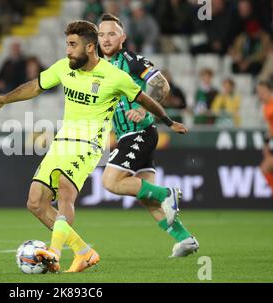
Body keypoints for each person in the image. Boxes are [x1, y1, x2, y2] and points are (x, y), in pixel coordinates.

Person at [0, 20, 188, 273]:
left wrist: (169, 122)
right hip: (62, 142)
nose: (68, 50)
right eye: (67, 44)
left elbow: (146, 99)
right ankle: (84, 252)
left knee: (64, 189)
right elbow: (35, 86)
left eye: (73, 45)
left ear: (90, 47)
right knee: (36, 203)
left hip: (89, 144)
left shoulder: (115, 76)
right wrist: (6, 99)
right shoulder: (64, 67)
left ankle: (54, 251)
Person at [98, 13, 199, 258]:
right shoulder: (98, 68)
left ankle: (168, 194)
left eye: (112, 33)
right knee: (147, 198)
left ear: (123, 37)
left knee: (110, 182)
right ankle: (185, 239)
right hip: (126, 134)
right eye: (101, 34)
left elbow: (162, 84)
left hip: (139, 131)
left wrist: (143, 108)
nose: (106, 39)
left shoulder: (131, 60)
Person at [257, 81, 273, 204]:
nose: (260, 95)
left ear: (270, 91)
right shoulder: (266, 107)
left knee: (265, 168)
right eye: (259, 92)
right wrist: (266, 144)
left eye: (263, 92)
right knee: (265, 168)